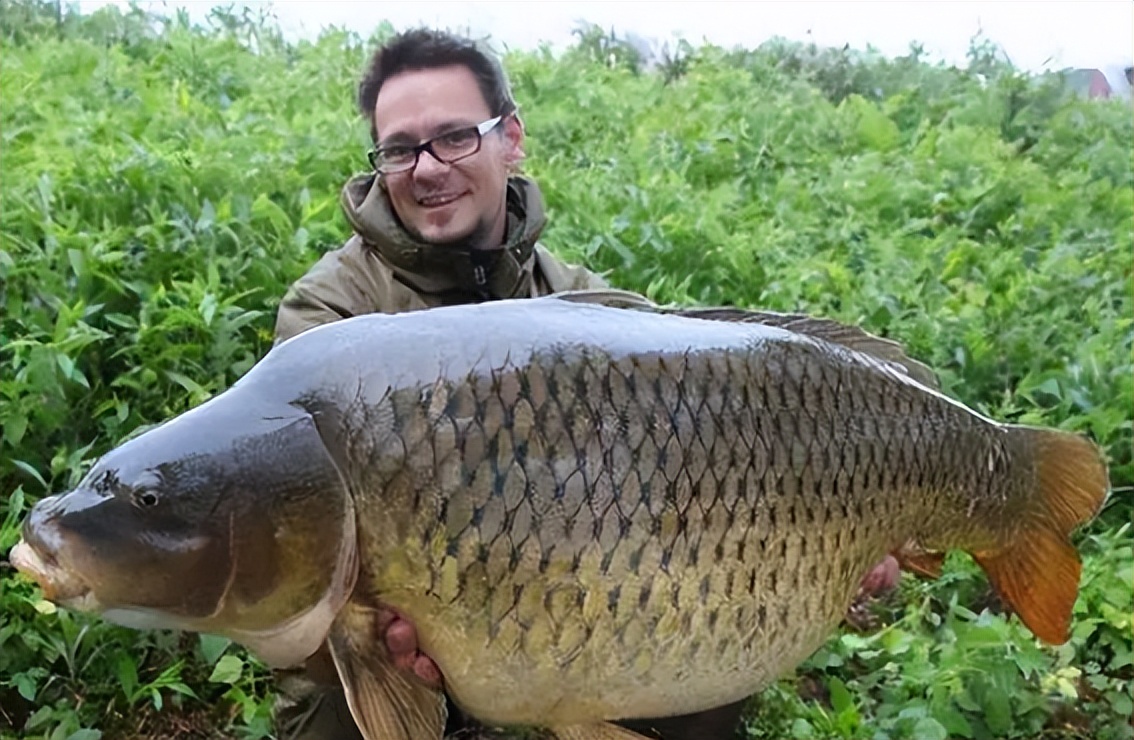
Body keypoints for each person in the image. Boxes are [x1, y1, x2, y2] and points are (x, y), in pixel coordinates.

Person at [270, 27, 902, 740]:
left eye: (454, 137)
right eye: (399, 149)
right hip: (404, 617)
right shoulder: (331, 313)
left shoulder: (578, 302)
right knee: (336, 702)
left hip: (560, 597)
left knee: (699, 680)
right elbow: (294, 517)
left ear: (510, 138)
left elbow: (695, 473)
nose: (426, 168)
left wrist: (835, 530)